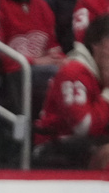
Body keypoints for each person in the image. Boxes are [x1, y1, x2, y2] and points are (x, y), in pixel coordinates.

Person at [34, 14, 109, 168]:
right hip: (52, 146)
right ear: (96, 44)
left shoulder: (100, 74)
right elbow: (83, 128)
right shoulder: (74, 71)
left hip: (82, 144)